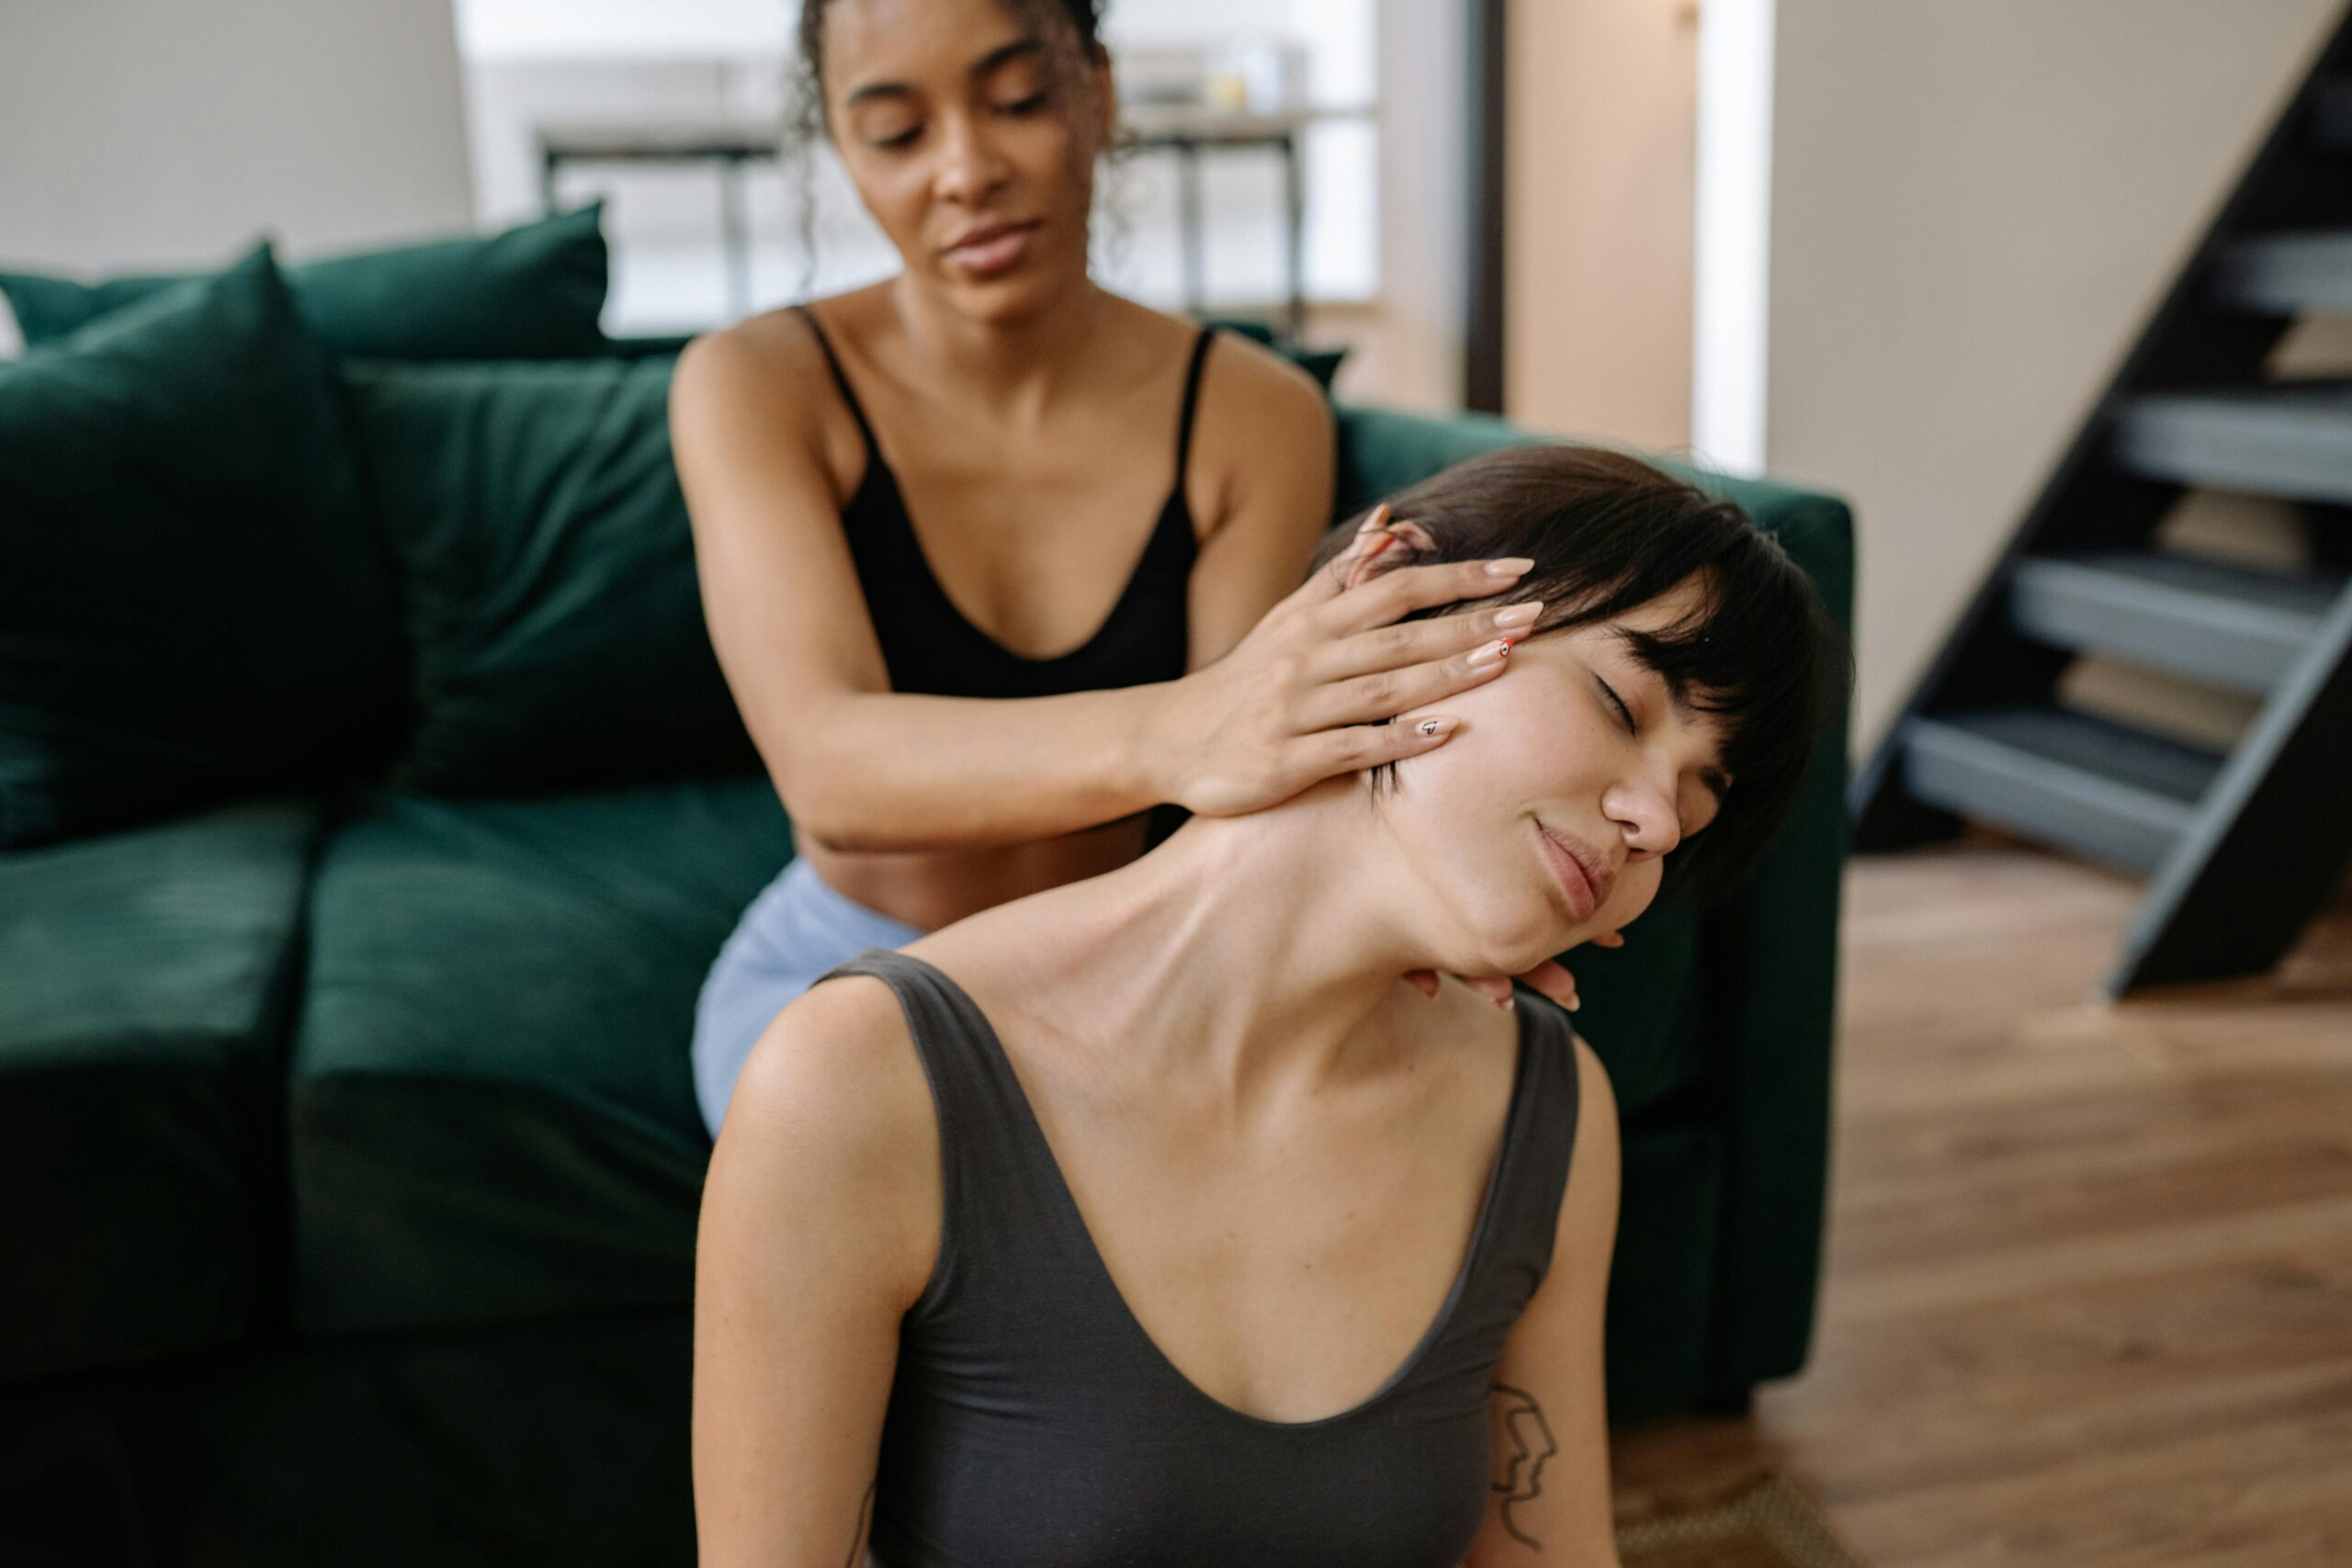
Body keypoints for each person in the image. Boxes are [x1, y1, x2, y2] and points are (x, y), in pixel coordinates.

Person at [693, 445, 1841, 1566]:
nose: (1655, 820)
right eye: (1620, 701)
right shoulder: (857, 1081)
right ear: (1388, 600)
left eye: (1700, 797)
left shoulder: (1543, 1109)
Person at [672, 0, 1563, 1135]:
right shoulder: (757, 385)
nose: (965, 170)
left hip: (1134, 960)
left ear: (1096, 90)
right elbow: (830, 769)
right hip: (847, 967)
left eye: (1017, 101)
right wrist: (1193, 727)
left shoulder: (1252, 413)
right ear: (844, 152)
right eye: (896, 133)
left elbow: (1249, 803)